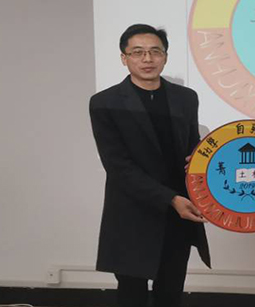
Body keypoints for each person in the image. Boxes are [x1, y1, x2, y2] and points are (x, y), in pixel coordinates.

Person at [89, 24, 210, 307]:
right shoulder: (104, 102)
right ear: (124, 58)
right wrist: (170, 198)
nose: (147, 59)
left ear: (165, 57)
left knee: (171, 291)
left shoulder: (186, 98)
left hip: (179, 214)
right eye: (138, 52)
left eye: (155, 51)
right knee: (131, 294)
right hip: (133, 212)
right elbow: (118, 166)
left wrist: (202, 163)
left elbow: (193, 149)